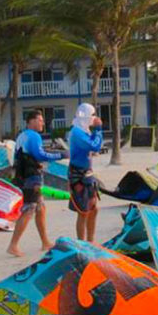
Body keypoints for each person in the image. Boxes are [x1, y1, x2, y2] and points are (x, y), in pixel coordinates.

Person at [6, 110, 67, 257]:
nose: (42, 123)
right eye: (40, 120)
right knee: (29, 209)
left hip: (25, 176)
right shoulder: (33, 136)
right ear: (31, 121)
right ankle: (13, 245)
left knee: (41, 208)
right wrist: (60, 155)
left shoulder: (22, 136)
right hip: (32, 178)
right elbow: (40, 155)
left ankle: (45, 241)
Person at [67, 103, 104, 242]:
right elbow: (94, 146)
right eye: (92, 115)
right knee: (83, 211)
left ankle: (90, 240)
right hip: (78, 175)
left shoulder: (84, 130)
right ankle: (82, 242)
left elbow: (93, 144)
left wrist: (95, 131)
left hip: (87, 173)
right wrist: (99, 129)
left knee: (93, 209)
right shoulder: (77, 132)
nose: (94, 118)